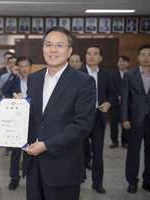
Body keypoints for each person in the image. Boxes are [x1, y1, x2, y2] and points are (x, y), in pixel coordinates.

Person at [15, 26, 96, 199]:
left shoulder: (84, 82)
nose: (53, 49)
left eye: (60, 45)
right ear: (43, 48)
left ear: (69, 51)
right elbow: (36, 118)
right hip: (33, 162)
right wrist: (20, 109)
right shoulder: (35, 78)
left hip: (63, 164)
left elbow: (82, 125)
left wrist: (46, 145)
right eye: (48, 44)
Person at [79, 44, 117, 194]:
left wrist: (108, 103)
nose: (91, 56)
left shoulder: (106, 75)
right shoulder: (78, 73)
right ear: (86, 56)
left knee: (98, 152)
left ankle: (97, 182)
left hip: (97, 118)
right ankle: (77, 180)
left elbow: (112, 93)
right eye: (89, 53)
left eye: (95, 54)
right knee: (78, 152)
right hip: (81, 119)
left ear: (100, 58)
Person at [121, 44, 150, 194]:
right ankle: (132, 181)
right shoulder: (129, 75)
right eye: (143, 55)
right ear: (138, 57)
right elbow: (125, 98)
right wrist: (124, 118)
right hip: (134, 119)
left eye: (149, 55)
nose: (146, 58)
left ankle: (148, 181)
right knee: (133, 152)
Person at [1, 56, 32, 190]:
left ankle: (32, 177)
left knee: (32, 149)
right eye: (21, 67)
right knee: (16, 151)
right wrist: (13, 75)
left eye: (26, 66)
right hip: (18, 119)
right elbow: (4, 90)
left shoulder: (37, 80)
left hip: (33, 118)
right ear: (17, 68)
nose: (24, 69)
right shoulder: (14, 80)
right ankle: (14, 178)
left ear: (31, 67)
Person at [68, 53, 93, 170]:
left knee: (84, 140)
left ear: (81, 63)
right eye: (71, 61)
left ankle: (86, 160)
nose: (74, 64)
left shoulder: (86, 78)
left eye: (76, 61)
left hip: (83, 114)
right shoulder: (64, 77)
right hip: (68, 116)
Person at [109, 55, 130, 148]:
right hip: (115, 104)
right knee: (113, 124)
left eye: (124, 61)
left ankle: (125, 141)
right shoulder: (112, 75)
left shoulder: (131, 75)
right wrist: (118, 96)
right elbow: (110, 87)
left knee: (125, 123)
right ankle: (114, 141)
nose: (122, 63)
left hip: (128, 104)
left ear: (128, 63)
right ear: (117, 63)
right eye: (120, 61)